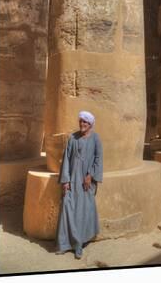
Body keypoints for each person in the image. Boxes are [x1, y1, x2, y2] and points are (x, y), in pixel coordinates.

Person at [55, 110, 103, 259]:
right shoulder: (73, 138)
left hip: (85, 183)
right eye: (81, 121)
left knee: (82, 213)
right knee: (67, 209)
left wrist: (90, 175)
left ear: (90, 124)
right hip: (72, 181)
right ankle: (64, 244)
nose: (82, 124)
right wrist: (65, 180)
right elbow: (66, 160)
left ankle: (78, 246)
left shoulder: (96, 139)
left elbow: (98, 159)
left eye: (86, 122)